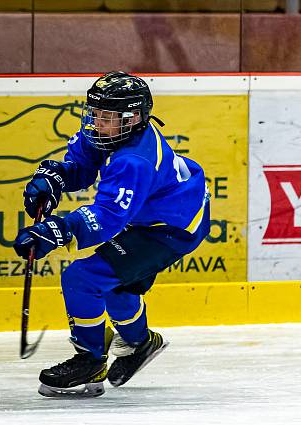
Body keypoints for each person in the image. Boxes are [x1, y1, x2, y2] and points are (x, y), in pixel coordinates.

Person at [13, 71, 210, 398]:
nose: (95, 122)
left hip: (173, 227)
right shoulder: (108, 133)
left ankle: (89, 360)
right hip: (154, 215)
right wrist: (56, 179)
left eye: (106, 117)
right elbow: (82, 166)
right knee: (115, 287)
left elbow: (108, 217)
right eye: (94, 113)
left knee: (83, 278)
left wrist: (59, 229)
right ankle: (140, 344)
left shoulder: (134, 160)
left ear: (133, 119)